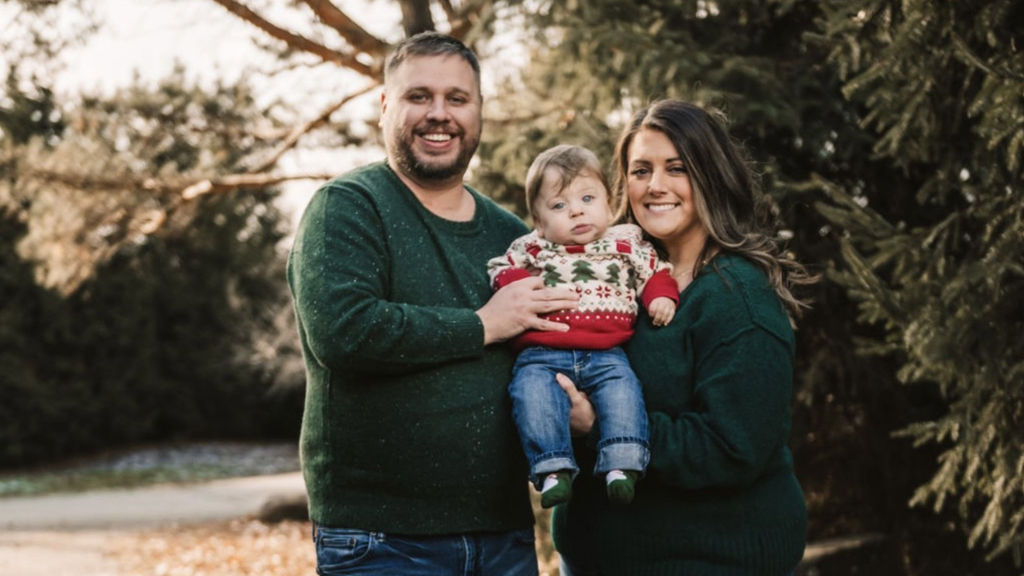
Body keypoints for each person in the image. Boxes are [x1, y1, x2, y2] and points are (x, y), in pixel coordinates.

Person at [286, 32, 579, 576]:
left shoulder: (512, 236)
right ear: (385, 106)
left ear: (479, 112)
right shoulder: (348, 208)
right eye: (418, 96)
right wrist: (482, 325)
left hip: (504, 536)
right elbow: (344, 332)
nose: (438, 114)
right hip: (382, 540)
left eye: (457, 99)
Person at [551, 100, 817, 576]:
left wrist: (603, 424)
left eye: (677, 168)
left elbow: (730, 448)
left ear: (710, 175)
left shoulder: (739, 298)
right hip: (592, 558)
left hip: (706, 560)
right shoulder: (613, 281)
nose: (655, 186)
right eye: (640, 170)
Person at [487, 144, 678, 510]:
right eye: (558, 206)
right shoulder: (532, 247)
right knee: (530, 395)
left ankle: (622, 464)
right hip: (541, 353)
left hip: (607, 353)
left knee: (624, 394)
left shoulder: (626, 242)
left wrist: (659, 298)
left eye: (587, 198)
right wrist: (514, 283)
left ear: (608, 203)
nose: (576, 210)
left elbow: (654, 272)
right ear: (539, 222)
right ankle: (551, 468)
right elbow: (499, 267)